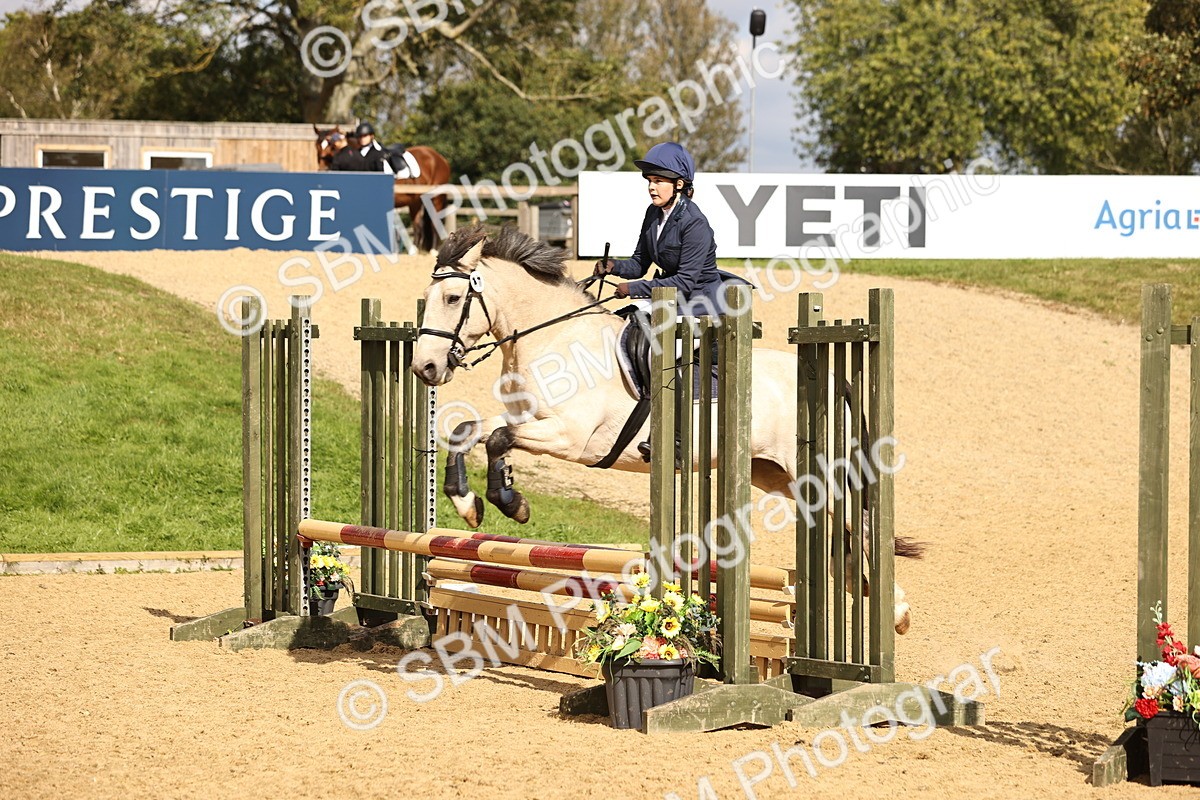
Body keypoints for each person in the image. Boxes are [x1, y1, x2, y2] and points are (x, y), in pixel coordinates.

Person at [593, 141, 739, 317]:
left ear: (678, 184)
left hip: (700, 304)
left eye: (658, 181)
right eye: (650, 181)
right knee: (620, 318)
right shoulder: (653, 212)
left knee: (639, 326)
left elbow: (684, 282)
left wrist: (633, 288)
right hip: (671, 297)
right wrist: (613, 266)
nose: (651, 187)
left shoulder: (695, 223)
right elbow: (639, 264)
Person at [329, 122, 394, 174]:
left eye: (365, 136)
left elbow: (382, 176)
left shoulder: (378, 154)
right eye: (360, 136)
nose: (362, 139)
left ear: (371, 136)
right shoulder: (352, 153)